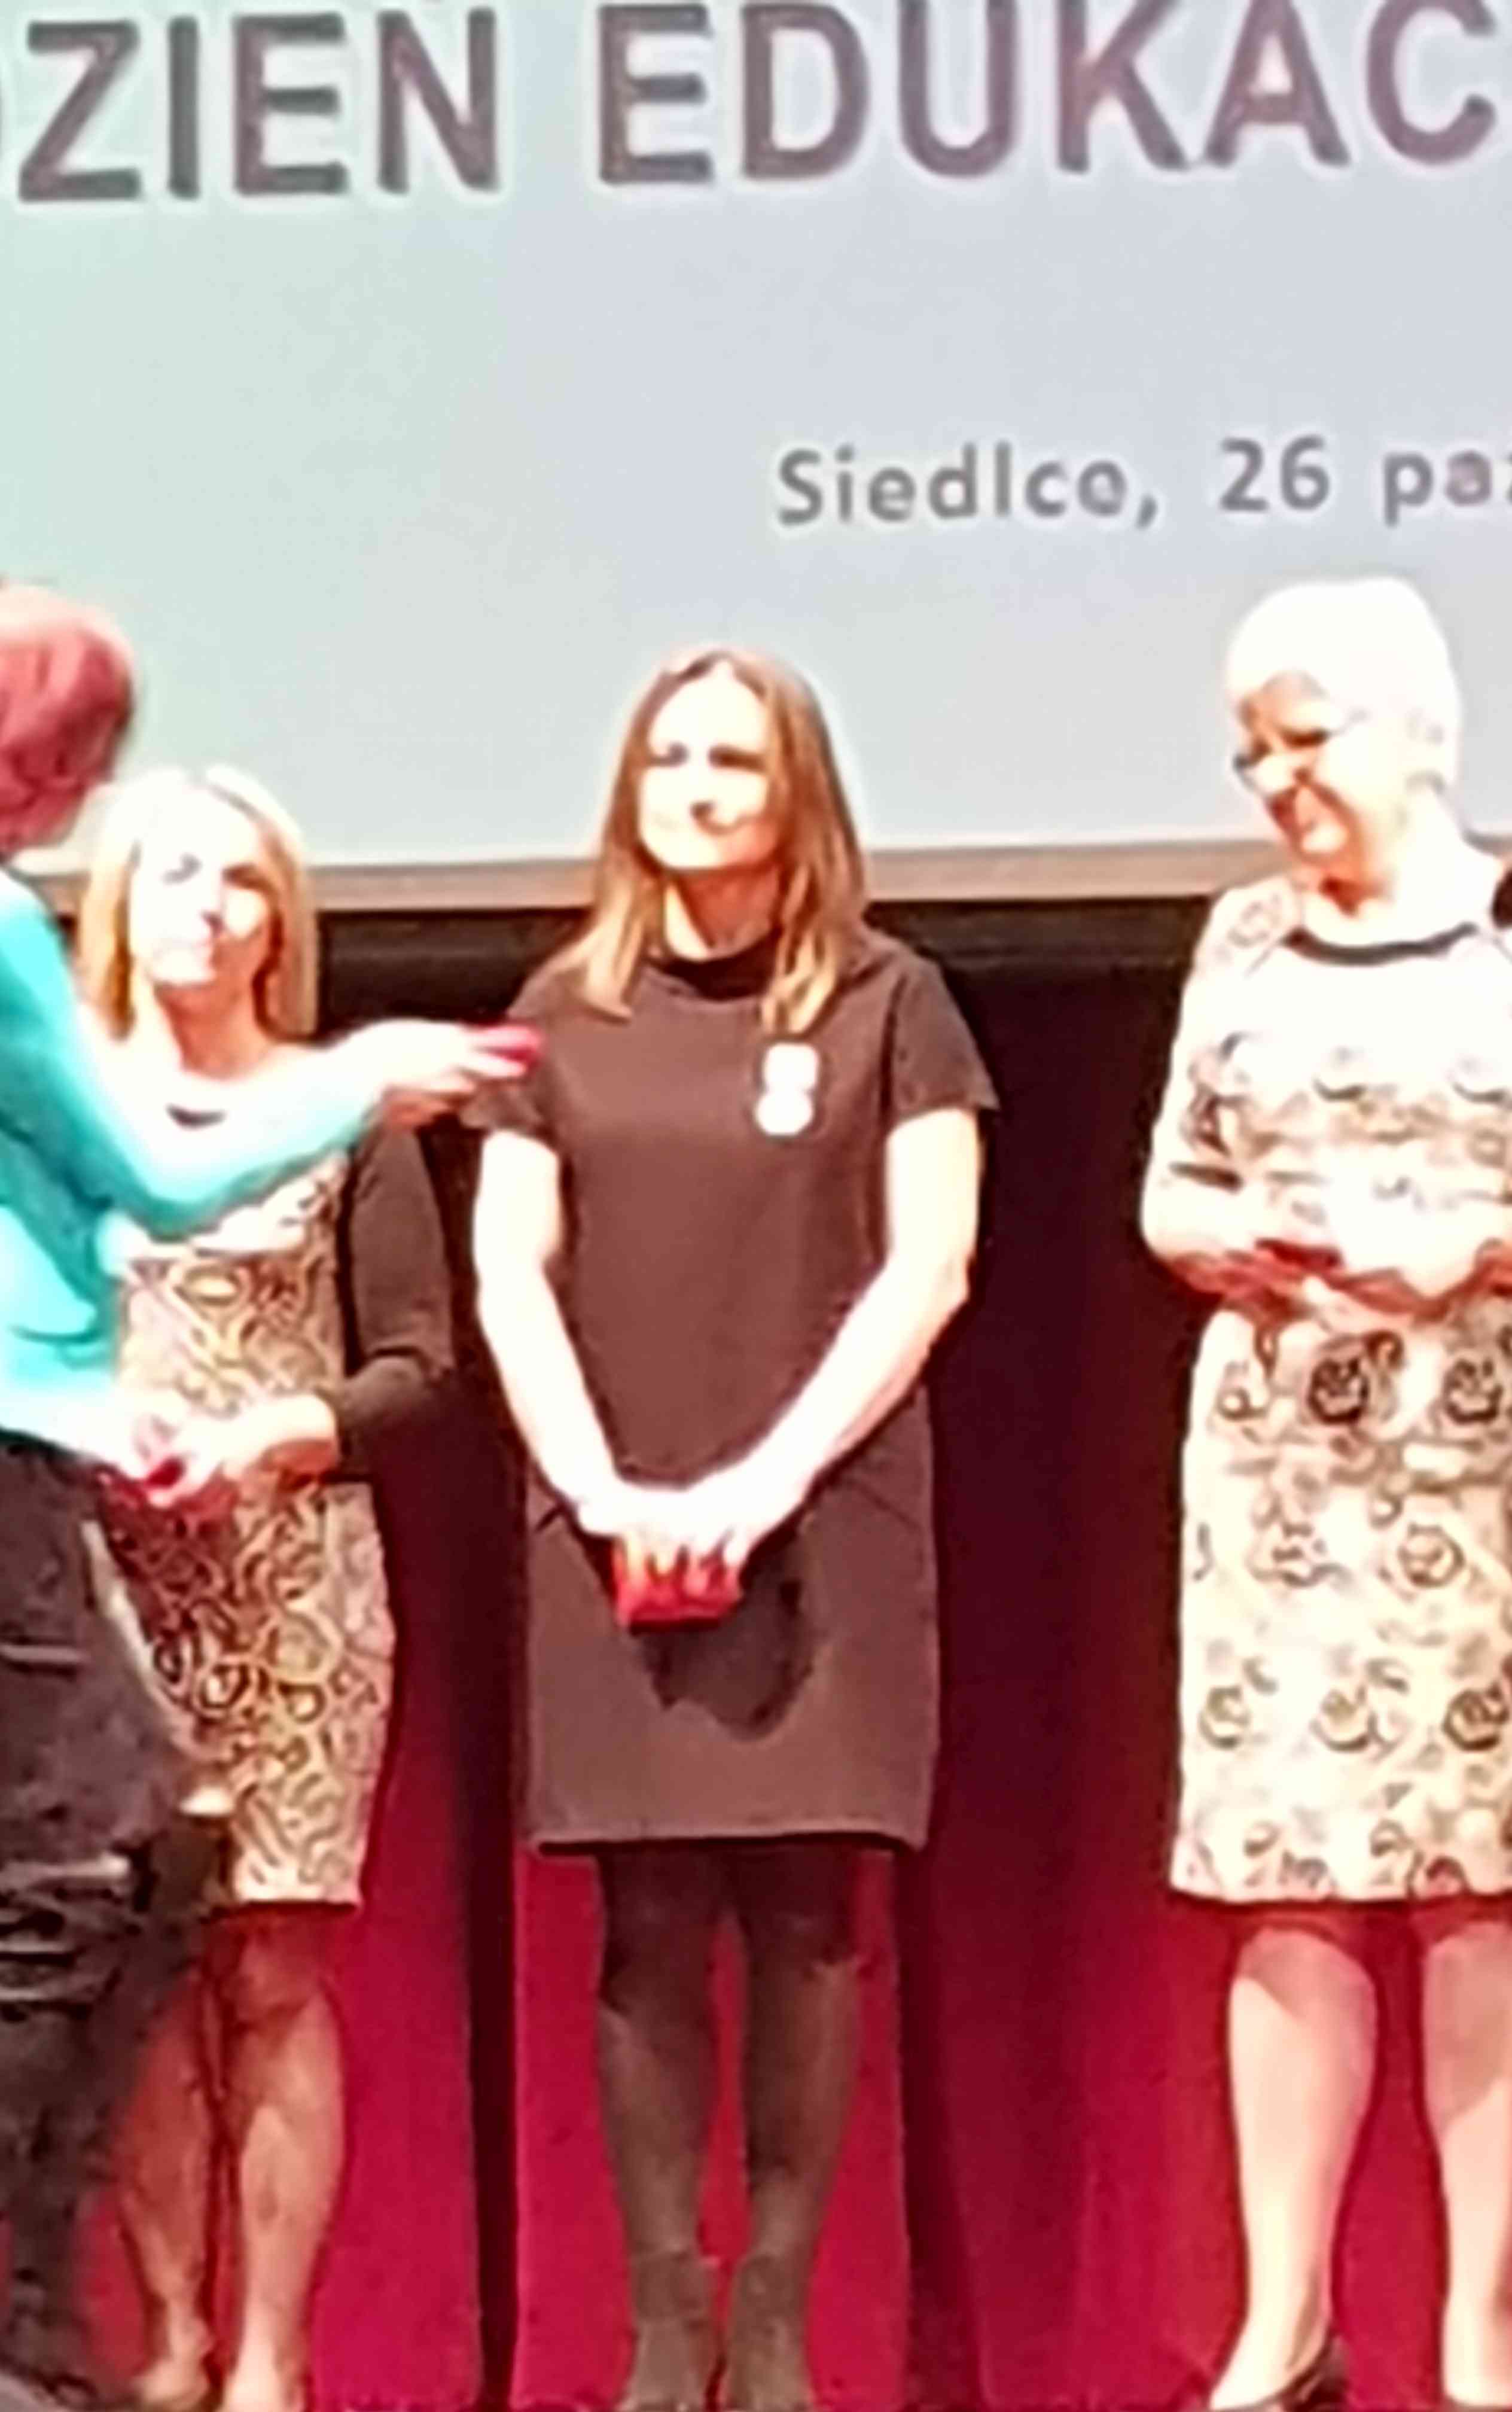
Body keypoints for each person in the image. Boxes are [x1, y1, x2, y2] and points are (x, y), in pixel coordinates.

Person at [1139, 578, 1512, 2412]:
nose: (1276, 780)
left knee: (1474, 1881)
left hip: (1466, 1439)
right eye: (1252, 751)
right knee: (1281, 1876)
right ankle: (1283, 2323)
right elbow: (1170, 1185)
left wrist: (1470, 1244)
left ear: (1409, 730)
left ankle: (1481, 2332)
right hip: (1274, 1442)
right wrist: (1220, 1243)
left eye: (1305, 739)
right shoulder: (1237, 937)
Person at [0, 586, 521, 2408]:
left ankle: (116, 2334)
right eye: (86, 771)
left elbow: (407, 1361)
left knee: (157, 1884)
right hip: (44, 1490)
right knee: (96, 1886)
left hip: (171, 1505)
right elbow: (137, 1184)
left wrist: (151, 1412)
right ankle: (59, 2323)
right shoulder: (14, 960)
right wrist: (363, 1084)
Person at [471, 646, 991, 2412]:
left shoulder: (892, 1001)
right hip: (611, 1509)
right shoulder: (564, 1009)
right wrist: (602, 1493)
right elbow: (509, 1270)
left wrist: (763, 1489)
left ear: (797, 794)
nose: (698, 789)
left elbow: (932, 1263)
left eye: (736, 762)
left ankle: (773, 2332)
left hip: (822, 1510)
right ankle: (662, 2330)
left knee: (805, 1918)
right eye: (671, 759)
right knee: (646, 1920)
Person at [67, 765, 456, 2412]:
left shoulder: (346, 1115)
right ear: (118, 908)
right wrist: (89, 1423)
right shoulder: (49, 1121)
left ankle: (273, 2362)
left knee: (272, 1972)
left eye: (239, 883)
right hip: (101, 1588)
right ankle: (170, 2343)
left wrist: (283, 1435)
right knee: (138, 1975)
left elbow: (419, 1366)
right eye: (175, 876)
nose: (207, 909)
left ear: (279, 925)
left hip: (293, 1585)